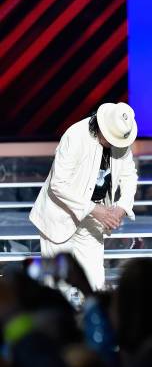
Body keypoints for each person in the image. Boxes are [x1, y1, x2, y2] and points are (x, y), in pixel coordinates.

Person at [29, 102, 138, 290]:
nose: (115, 143)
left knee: (95, 281)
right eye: (111, 138)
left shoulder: (122, 137)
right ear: (102, 127)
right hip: (59, 215)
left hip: (95, 215)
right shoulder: (75, 136)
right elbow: (58, 184)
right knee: (57, 284)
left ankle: (91, 318)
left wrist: (123, 205)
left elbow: (129, 175)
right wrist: (94, 209)